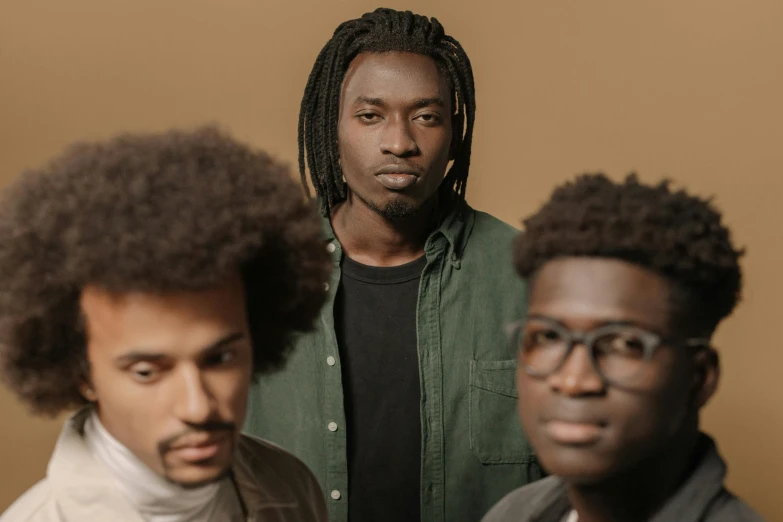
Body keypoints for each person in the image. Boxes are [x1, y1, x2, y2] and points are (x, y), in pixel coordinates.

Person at [243, 7, 543, 522]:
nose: (400, 142)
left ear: (455, 135)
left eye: (426, 117)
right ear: (330, 129)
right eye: (370, 115)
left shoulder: (530, 277)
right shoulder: (253, 274)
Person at [0, 126, 332, 522]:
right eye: (147, 372)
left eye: (220, 358)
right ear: (81, 373)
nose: (198, 407)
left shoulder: (291, 488)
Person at [481, 174, 764, 522]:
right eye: (549, 337)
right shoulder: (512, 513)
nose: (572, 381)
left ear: (699, 377)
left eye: (623, 344)